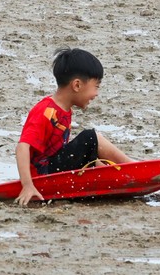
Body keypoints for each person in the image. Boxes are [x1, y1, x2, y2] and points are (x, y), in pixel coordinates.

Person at [15, 47, 134, 205]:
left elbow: (66, 153)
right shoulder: (45, 111)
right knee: (90, 138)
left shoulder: (64, 110)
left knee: (86, 149)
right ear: (77, 85)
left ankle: (118, 173)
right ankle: (133, 168)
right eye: (96, 86)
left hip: (54, 169)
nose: (97, 93)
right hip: (43, 175)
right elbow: (22, 147)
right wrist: (28, 185)